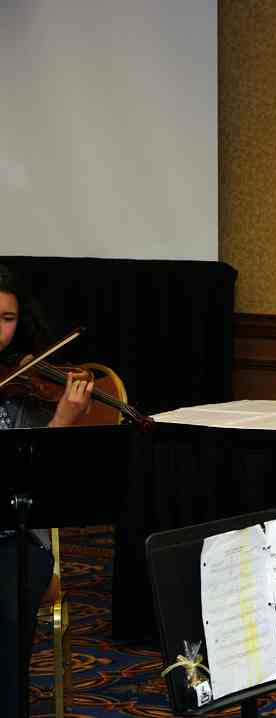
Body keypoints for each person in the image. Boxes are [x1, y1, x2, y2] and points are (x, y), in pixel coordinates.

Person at [1, 263, 93, 718]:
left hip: (16, 537)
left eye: (7, 319)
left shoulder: (30, 386)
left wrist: (62, 422)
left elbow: (48, 484)